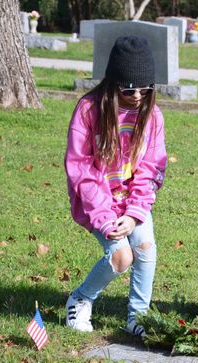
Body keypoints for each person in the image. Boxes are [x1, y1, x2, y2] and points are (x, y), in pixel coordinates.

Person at [64, 36, 167, 338]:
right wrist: (106, 218)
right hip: (99, 204)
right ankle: (81, 299)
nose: (137, 96)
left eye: (145, 88)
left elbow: (152, 167)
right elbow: (81, 169)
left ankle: (138, 318)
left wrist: (135, 213)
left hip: (132, 204)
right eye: (129, 89)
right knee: (122, 256)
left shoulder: (152, 116)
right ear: (112, 84)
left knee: (145, 248)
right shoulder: (88, 111)